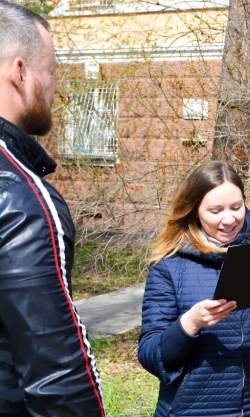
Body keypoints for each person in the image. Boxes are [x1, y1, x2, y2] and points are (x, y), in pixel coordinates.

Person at [138, 161, 250, 417]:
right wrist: (189, 324)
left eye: (236, 207)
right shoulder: (169, 267)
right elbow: (151, 355)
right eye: (215, 210)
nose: (229, 219)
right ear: (195, 210)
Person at [0, 2, 106, 415]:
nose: (54, 86)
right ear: (21, 72)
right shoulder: (20, 197)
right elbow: (58, 376)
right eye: (52, 70)